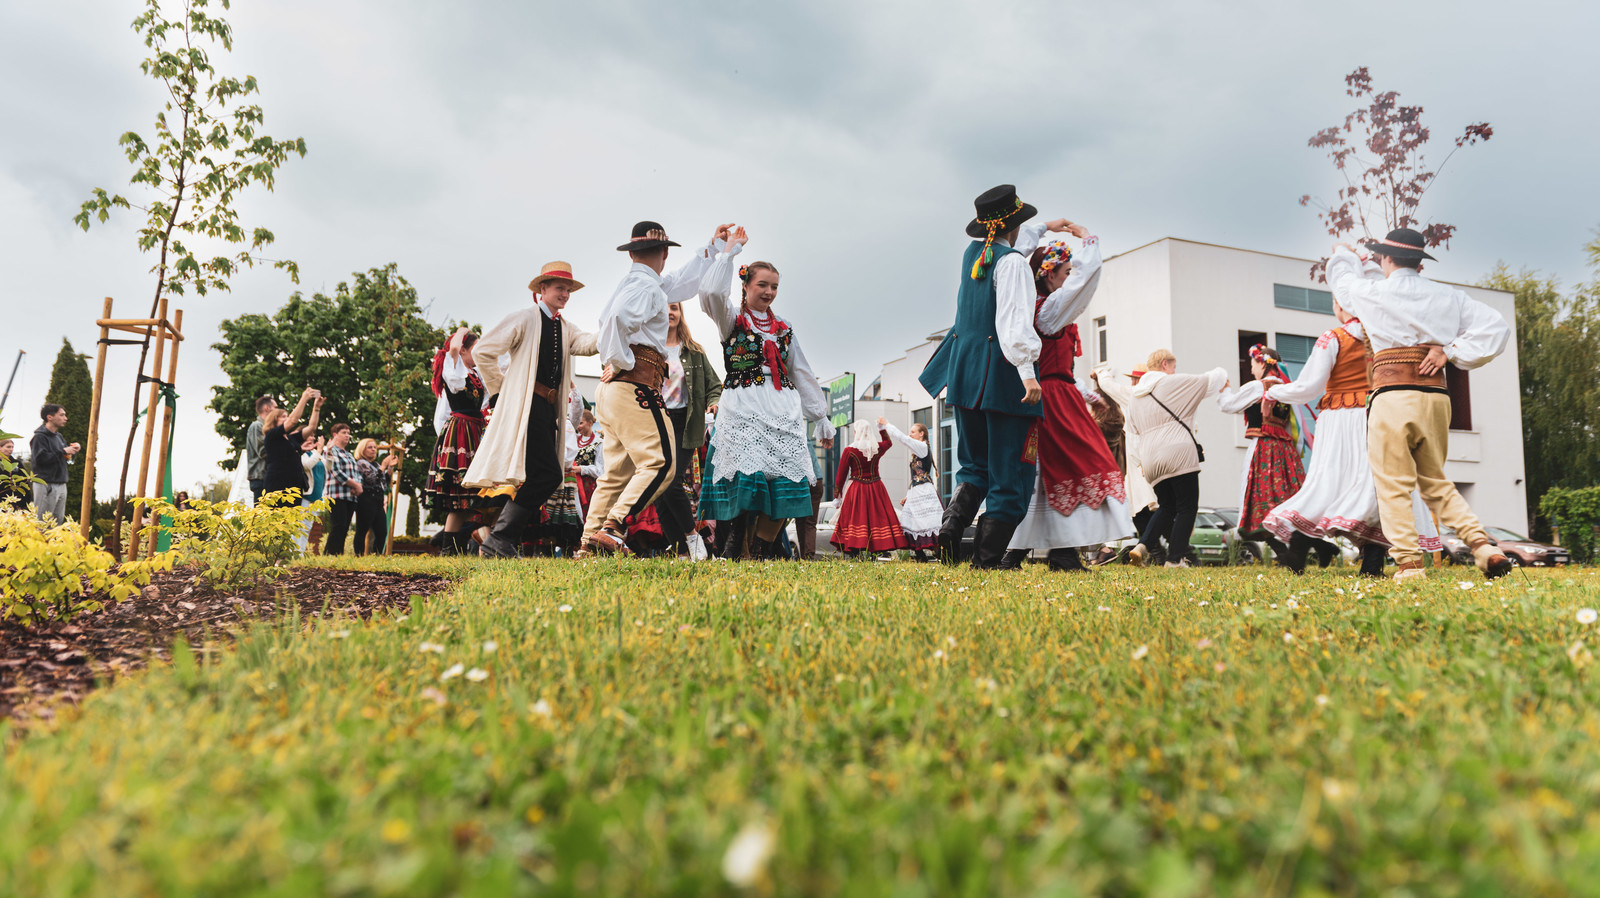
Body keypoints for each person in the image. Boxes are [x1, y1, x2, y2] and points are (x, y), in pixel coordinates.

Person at [1327, 229, 1513, 581]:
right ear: (1420, 263)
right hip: (1434, 396)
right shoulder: (1448, 296)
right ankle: (1482, 546)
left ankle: (1410, 565)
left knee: (1393, 484)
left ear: (1385, 258)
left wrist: (1343, 253)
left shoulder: (1371, 293)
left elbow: (1343, 282)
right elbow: (1497, 328)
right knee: (1435, 481)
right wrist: (1450, 350)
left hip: (1392, 394)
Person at [918, 185, 1072, 568]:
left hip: (965, 376)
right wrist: (1028, 374)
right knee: (1012, 476)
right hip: (1004, 381)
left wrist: (1045, 227)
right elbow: (1014, 322)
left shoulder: (974, 255)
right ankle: (985, 563)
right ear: (1013, 225)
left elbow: (1011, 249)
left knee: (974, 467)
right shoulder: (1014, 264)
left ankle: (952, 527)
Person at [573, 222, 724, 558]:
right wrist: (623, 360)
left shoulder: (639, 283)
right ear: (665, 252)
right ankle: (613, 528)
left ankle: (588, 545)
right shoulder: (647, 287)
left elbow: (682, 282)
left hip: (615, 391)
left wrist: (712, 248)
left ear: (632, 254)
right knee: (660, 463)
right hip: (635, 386)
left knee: (616, 474)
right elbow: (617, 321)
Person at [1259, 299, 1442, 576]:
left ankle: (1299, 546)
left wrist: (1273, 392)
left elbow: (1310, 387)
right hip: (1383, 414)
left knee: (1330, 482)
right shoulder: (1388, 337)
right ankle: (1371, 564)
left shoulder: (1335, 337)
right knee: (1378, 488)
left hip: (1342, 420)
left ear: (1339, 304)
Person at [696, 228, 838, 559]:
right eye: (762, 285)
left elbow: (800, 371)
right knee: (748, 480)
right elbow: (711, 292)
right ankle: (737, 544)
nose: (769, 291)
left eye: (774, 286)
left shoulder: (784, 328)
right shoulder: (732, 320)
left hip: (781, 408)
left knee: (788, 482)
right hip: (743, 405)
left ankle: (761, 548)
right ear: (746, 285)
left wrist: (820, 415)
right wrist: (729, 252)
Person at [1003, 228, 1134, 572]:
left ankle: (1049, 553)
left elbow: (1061, 369)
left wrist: (1088, 394)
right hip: (1051, 400)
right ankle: (1038, 553)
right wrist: (1088, 240)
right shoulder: (1047, 310)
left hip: (1060, 396)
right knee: (1076, 466)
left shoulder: (1046, 310)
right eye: (1064, 272)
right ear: (1048, 274)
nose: (1068, 278)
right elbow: (1083, 283)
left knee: (1050, 474)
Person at [464, 261, 599, 558]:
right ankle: (499, 538)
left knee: (545, 475)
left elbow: (588, 344)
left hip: (547, 410)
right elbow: (483, 351)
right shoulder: (524, 318)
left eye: (568, 290)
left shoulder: (565, 327)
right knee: (548, 474)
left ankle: (498, 538)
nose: (565, 294)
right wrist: (500, 391)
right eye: (560, 288)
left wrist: (616, 327)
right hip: (527, 406)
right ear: (543, 289)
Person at [1215, 345, 1334, 566]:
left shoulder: (1258, 387)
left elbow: (1229, 405)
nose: (1252, 370)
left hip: (1263, 449)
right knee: (1287, 501)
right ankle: (1316, 548)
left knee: (1259, 501)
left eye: (1253, 365)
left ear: (1262, 363)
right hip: (1285, 452)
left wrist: (1224, 390)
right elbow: (1291, 428)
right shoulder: (1286, 388)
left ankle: (1290, 554)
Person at [1125, 350, 1228, 567]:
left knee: (1166, 506)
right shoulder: (1172, 383)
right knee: (1187, 507)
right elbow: (1214, 379)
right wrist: (1224, 377)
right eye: (1173, 367)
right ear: (1165, 364)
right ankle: (1174, 560)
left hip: (1150, 459)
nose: (1174, 371)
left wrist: (1140, 462)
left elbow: (1132, 431)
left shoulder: (1135, 396)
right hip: (1178, 453)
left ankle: (1143, 545)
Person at [651, 301, 723, 559]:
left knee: (671, 482)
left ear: (680, 313)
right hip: (654, 423)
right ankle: (681, 554)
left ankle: (693, 538)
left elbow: (714, 385)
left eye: (674, 307)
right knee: (658, 490)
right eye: (664, 307)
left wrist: (713, 402)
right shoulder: (647, 348)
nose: (669, 312)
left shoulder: (694, 351)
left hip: (684, 422)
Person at [424, 328, 491, 554]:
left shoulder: (476, 374)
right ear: (463, 350)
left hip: (475, 430)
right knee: (458, 497)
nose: (479, 353)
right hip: (461, 430)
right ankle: (448, 549)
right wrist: (463, 330)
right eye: (475, 349)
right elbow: (452, 348)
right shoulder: (453, 368)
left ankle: (456, 546)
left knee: (470, 498)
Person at [1091, 364, 1161, 563]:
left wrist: (1100, 373)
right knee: (1143, 509)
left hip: (1140, 463)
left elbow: (1109, 386)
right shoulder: (1146, 400)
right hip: (1139, 463)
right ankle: (1157, 551)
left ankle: (1160, 551)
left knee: (1147, 509)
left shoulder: (1135, 397)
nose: (1132, 382)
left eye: (1134, 379)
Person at [830, 420, 908, 558]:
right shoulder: (876, 447)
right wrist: (881, 429)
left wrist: (837, 496)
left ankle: (855, 550)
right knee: (876, 518)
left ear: (856, 432)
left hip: (857, 488)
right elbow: (888, 443)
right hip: (875, 487)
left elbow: (841, 475)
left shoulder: (849, 450)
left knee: (856, 518)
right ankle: (876, 550)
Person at [884, 419, 941, 561]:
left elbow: (903, 439)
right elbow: (915, 477)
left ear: (922, 434)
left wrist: (887, 425)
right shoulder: (918, 450)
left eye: (913, 432)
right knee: (912, 522)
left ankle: (939, 553)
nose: (910, 434)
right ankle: (920, 555)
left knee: (927, 522)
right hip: (916, 490)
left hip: (924, 491)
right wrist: (908, 495)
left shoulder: (922, 446)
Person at [260, 389, 321, 504]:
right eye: (283, 417)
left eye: (287, 416)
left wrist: (316, 408)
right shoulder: (272, 436)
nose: (287, 419)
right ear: (274, 419)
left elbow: (311, 428)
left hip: (294, 487)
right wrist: (304, 398)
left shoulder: (291, 438)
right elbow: (293, 421)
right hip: (278, 487)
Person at [28, 403, 79, 524]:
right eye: (61, 415)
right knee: (42, 523)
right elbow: (40, 460)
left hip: (61, 484)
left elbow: (64, 457)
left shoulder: (59, 437)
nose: (65, 418)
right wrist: (63, 451)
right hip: (46, 484)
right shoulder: (39, 437)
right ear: (49, 417)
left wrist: (73, 450)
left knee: (57, 523)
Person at [352, 438, 399, 555]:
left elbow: (383, 482)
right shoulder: (361, 463)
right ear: (362, 450)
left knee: (382, 531)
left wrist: (390, 468)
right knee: (362, 530)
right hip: (366, 499)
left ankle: (376, 556)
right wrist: (383, 466)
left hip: (378, 500)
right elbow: (371, 479)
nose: (373, 450)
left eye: (375, 447)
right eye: (370, 447)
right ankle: (358, 556)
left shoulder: (376, 464)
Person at [323, 423, 361, 555]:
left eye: (348, 433)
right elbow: (335, 471)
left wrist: (358, 485)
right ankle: (329, 554)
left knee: (344, 528)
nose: (347, 435)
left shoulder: (349, 455)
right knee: (338, 526)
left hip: (350, 496)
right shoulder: (330, 450)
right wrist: (355, 485)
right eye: (344, 432)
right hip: (336, 495)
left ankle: (339, 554)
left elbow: (357, 473)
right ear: (335, 435)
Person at [245, 395, 277, 503]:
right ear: (267, 408)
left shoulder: (269, 428)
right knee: (262, 512)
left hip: (268, 478)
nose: (277, 411)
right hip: (261, 479)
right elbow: (264, 452)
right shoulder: (257, 426)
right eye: (275, 407)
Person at [0, 437, 33, 510]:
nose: (11, 449)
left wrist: (24, 503)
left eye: (12, 447)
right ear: (0, 447)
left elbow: (25, 483)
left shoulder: (17, 463)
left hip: (16, 501)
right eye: (8, 447)